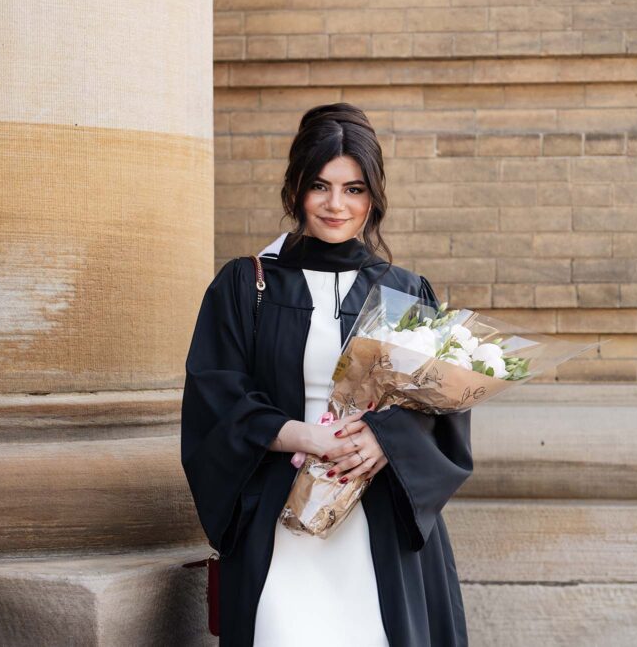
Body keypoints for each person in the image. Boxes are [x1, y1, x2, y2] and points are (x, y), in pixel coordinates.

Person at [180, 103, 474, 646]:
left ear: (374, 195)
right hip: (279, 517)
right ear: (296, 189)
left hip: (379, 520)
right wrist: (302, 436)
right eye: (320, 185)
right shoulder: (246, 285)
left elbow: (441, 414)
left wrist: (384, 441)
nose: (336, 205)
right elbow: (214, 394)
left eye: (354, 189)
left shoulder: (406, 292)